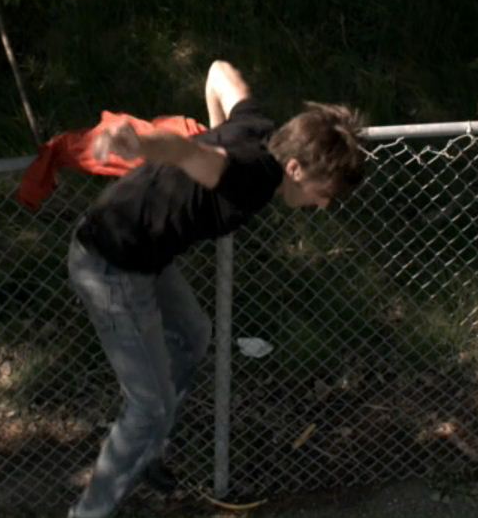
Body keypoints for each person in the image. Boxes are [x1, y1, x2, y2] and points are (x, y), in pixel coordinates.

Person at [67, 60, 366, 518]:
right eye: (325, 191)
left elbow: (219, 72)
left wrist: (214, 128)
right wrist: (139, 141)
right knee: (149, 406)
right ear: (295, 167)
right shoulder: (248, 175)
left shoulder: (259, 126)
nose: (323, 205)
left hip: (145, 253)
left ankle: (146, 452)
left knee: (193, 336)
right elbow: (189, 155)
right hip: (110, 263)